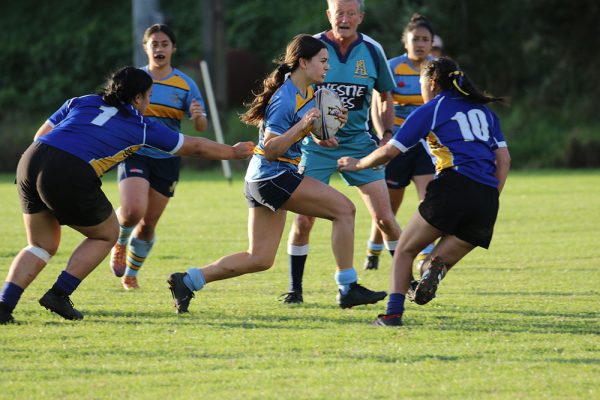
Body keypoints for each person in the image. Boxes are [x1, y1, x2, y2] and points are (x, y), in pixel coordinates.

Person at [0, 66, 253, 324]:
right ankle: (59, 294)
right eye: (149, 95)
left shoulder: (82, 101)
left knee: (41, 245)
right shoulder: (140, 126)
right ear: (137, 98)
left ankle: (3, 305)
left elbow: (41, 135)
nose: (149, 101)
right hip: (69, 170)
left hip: (31, 160)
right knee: (108, 233)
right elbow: (195, 147)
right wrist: (233, 152)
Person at [167, 34, 387, 314]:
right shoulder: (285, 98)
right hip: (273, 175)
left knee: (260, 258)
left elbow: (300, 133)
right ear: (304, 63)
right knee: (345, 209)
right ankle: (347, 287)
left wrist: (324, 134)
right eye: (322, 61)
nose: (327, 67)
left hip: (262, 178)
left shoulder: (308, 92)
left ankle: (188, 280)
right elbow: (271, 148)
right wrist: (303, 126)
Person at [338, 57, 511, 326]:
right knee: (427, 264)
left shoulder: (433, 108)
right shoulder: (486, 113)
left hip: (453, 186)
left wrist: (357, 163)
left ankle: (392, 315)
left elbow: (390, 152)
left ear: (430, 82)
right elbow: (504, 161)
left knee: (405, 250)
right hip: (487, 199)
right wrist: (490, 197)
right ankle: (432, 271)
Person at [281, 0, 401, 304]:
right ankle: (295, 289)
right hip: (315, 147)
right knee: (304, 221)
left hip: (359, 145)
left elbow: (384, 96)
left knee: (385, 218)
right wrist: (315, 132)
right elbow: (289, 96)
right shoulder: (312, 47)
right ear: (328, 15)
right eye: (339, 13)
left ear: (360, 17)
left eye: (350, 13)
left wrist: (386, 135)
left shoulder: (372, 50)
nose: (344, 18)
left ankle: (405, 283)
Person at [109, 24, 208, 290]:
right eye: (154, 44)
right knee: (132, 211)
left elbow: (200, 127)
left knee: (149, 222)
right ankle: (119, 242)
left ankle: (131, 273)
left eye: (164, 44)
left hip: (168, 158)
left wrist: (198, 117)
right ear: (145, 48)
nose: (159, 48)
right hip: (136, 153)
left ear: (173, 48)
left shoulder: (186, 84)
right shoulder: (135, 80)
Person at [364, 14, 436, 278]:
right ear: (405, 41)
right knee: (388, 209)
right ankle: (373, 249)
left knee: (429, 201)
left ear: (431, 44)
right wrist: (384, 135)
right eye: (415, 38)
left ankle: (425, 256)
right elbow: (377, 104)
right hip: (397, 144)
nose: (419, 43)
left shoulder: (438, 69)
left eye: (424, 39)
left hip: (427, 145)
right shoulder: (392, 67)